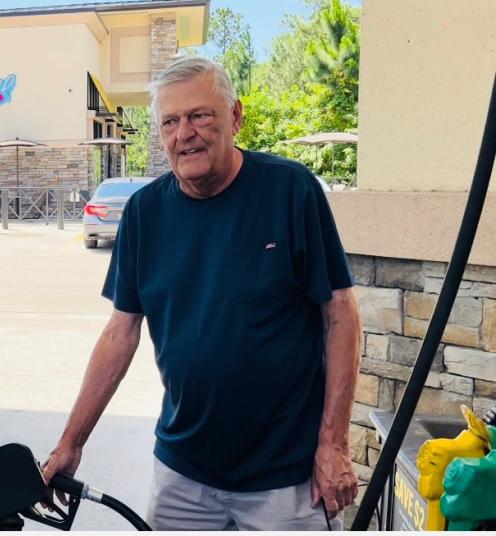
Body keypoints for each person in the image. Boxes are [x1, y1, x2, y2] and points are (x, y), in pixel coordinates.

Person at [42, 56, 362, 530]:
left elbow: (341, 317)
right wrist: (71, 441)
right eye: (170, 121)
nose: (183, 133)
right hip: (183, 474)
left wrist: (332, 443)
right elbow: (121, 332)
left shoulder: (291, 191)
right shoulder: (144, 214)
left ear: (235, 117)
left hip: (285, 478)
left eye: (200, 115)